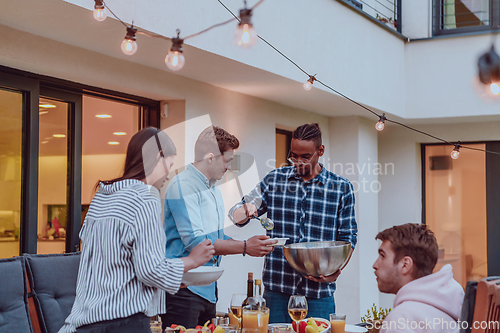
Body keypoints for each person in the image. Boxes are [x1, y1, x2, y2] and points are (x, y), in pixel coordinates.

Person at [59, 127, 215, 333]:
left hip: (85, 322)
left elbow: (117, 264)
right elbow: (150, 270)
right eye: (169, 164)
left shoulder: (102, 197)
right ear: (159, 156)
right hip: (123, 323)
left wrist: (173, 278)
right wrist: (192, 261)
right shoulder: (144, 198)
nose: (168, 174)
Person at [229, 123, 358, 323]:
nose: (298, 161)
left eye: (305, 156)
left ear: (320, 151)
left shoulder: (341, 188)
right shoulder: (274, 180)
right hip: (278, 292)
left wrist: (335, 272)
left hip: (319, 294)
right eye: (293, 155)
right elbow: (237, 213)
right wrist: (245, 210)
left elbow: (348, 237)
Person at [162, 126, 275, 329]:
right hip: (183, 291)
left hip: (208, 291)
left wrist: (250, 246)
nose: (229, 167)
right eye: (228, 160)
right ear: (211, 157)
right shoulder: (183, 185)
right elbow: (196, 242)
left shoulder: (213, 189)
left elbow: (216, 236)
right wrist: (244, 247)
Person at [372, 223, 464, 333]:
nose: (375, 265)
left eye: (382, 256)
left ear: (405, 265)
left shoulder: (401, 320)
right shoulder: (449, 307)